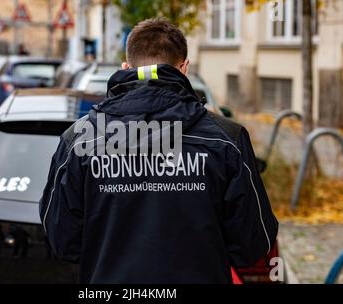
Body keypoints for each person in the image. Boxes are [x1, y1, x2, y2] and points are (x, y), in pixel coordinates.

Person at [39, 18, 279, 283]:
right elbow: (253, 243)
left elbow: (63, 241)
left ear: (126, 67)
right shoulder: (226, 138)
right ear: (184, 67)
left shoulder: (80, 139)